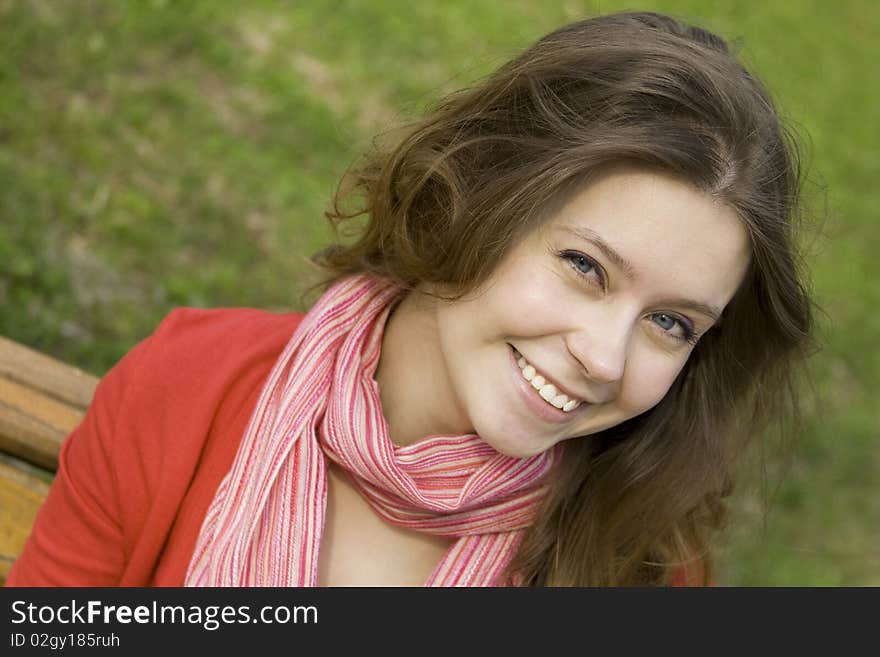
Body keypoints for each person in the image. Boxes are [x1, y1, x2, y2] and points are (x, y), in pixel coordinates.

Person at [7, 10, 815, 587]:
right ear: (470, 198)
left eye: (671, 323)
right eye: (584, 266)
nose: (605, 357)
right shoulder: (188, 391)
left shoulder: (642, 564)